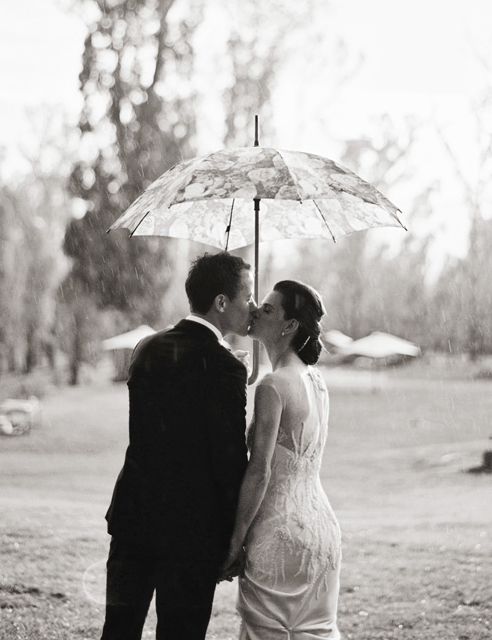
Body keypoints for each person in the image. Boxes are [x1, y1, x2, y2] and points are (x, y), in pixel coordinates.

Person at [100, 251, 256, 640]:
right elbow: (229, 463)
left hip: (134, 519)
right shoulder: (225, 367)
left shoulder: (147, 348)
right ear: (221, 302)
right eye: (247, 296)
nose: (253, 306)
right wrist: (234, 538)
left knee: (118, 631)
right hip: (191, 533)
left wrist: (228, 369)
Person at [221, 279, 341, 639]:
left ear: (290, 326)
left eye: (269, 309)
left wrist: (234, 542)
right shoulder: (316, 382)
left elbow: (260, 472)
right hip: (323, 532)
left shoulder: (272, 387)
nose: (256, 310)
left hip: (280, 534)